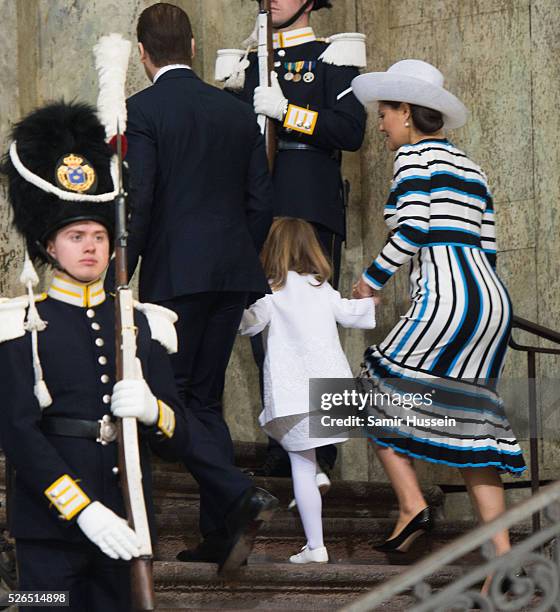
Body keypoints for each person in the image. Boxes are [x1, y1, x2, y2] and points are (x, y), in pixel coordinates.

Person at [0, 101, 277, 610]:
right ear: (49, 247)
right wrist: (81, 509)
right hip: (50, 531)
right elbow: (18, 433)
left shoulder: (139, 322)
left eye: (100, 236)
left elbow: (178, 439)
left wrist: (156, 412)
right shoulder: (20, 325)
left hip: (127, 520)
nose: (90, 247)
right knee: (42, 607)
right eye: (76, 236)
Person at [103, 3, 274, 563]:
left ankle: (222, 499)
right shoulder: (235, 110)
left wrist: (119, 276)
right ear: (195, 48)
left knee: (162, 403)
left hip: (174, 277)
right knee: (203, 401)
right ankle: (221, 530)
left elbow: (142, 200)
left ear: (144, 55)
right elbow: (259, 202)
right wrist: (238, 265)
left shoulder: (142, 110)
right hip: (231, 276)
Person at [350, 60, 526, 582]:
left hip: (447, 298)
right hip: (491, 301)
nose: (381, 125)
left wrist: (370, 281)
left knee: (367, 387)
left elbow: (414, 229)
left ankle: (411, 506)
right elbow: (489, 246)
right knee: (474, 426)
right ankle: (501, 556)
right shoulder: (471, 166)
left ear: (406, 112)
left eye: (384, 114)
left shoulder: (412, 157)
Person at [217, 0, 367, 479]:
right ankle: (282, 440)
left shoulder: (332, 57)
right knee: (266, 331)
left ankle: (324, 449)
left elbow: (350, 130)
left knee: (316, 330)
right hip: (260, 209)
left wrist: (289, 113)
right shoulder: (249, 63)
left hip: (309, 206)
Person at [239, 218, 377, 563]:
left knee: (299, 462)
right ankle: (315, 481)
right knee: (303, 457)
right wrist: (369, 300)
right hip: (331, 390)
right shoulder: (322, 288)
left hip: (295, 393)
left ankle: (316, 547)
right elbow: (352, 315)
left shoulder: (273, 292)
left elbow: (248, 325)